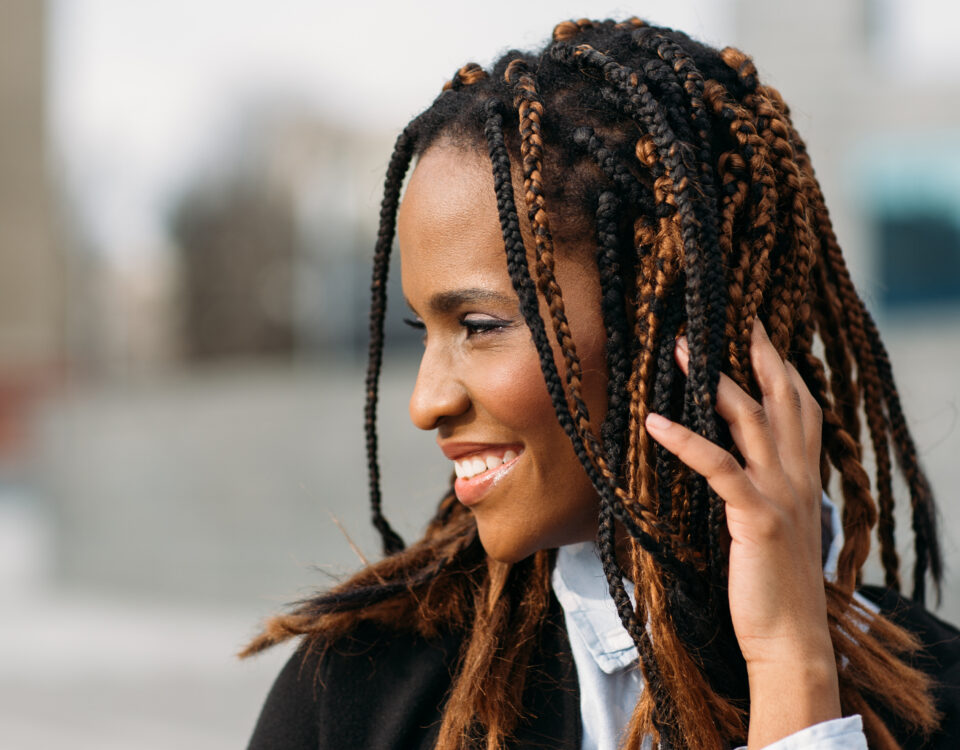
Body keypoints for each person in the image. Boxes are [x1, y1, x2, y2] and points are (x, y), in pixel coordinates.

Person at [243, 17, 960, 750]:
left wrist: (792, 668)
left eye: (480, 326)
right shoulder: (358, 695)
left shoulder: (940, 701)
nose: (426, 402)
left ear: (673, 320)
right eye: (422, 331)